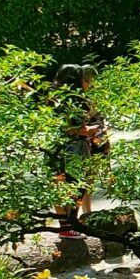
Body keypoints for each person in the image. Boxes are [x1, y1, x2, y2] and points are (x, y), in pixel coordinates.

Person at [51, 63, 107, 238]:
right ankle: (70, 226)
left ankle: (65, 226)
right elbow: (76, 129)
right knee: (76, 185)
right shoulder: (73, 100)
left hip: (54, 149)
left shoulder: (54, 97)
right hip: (73, 149)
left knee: (60, 185)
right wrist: (94, 128)